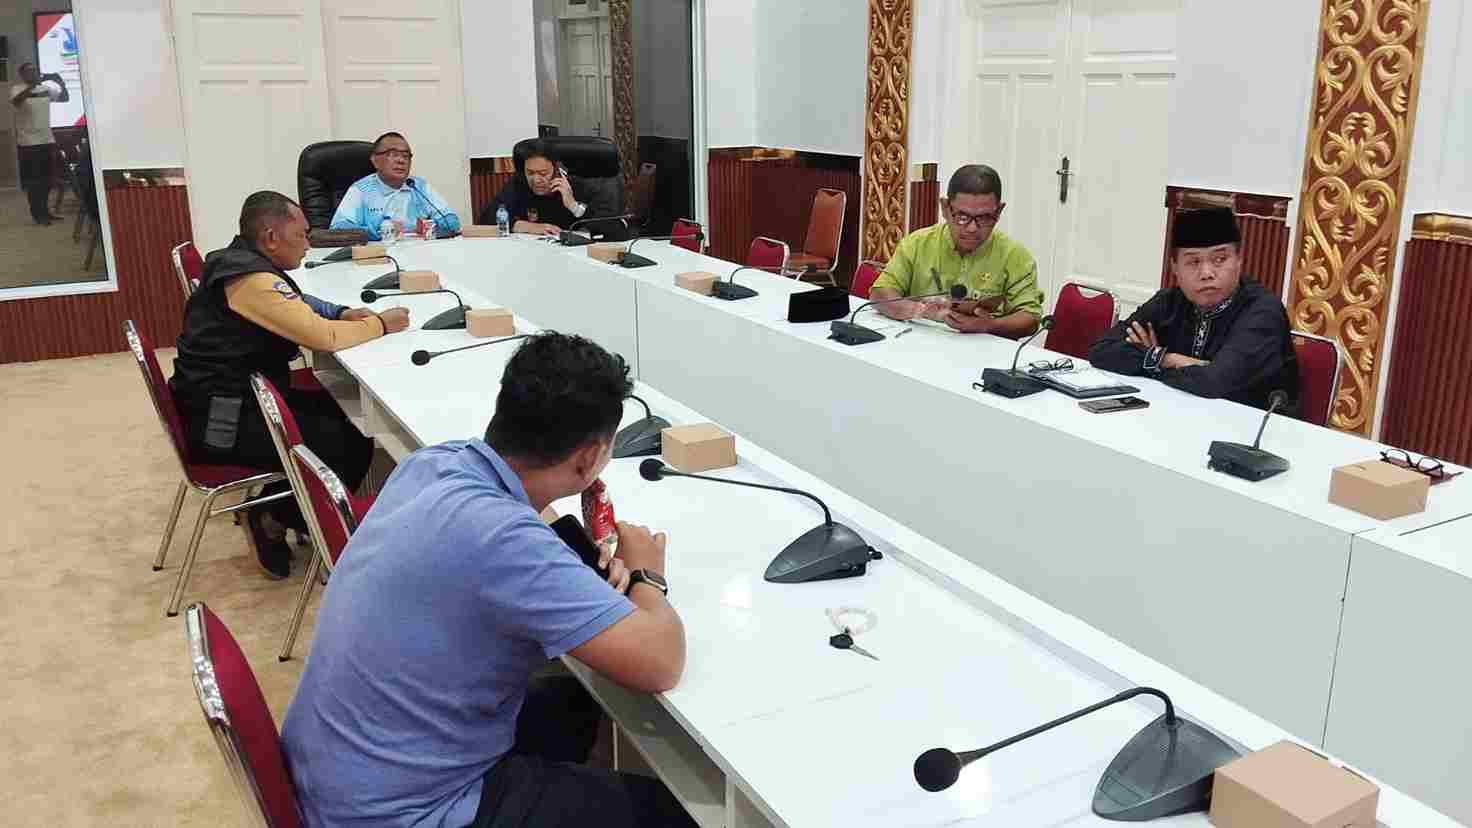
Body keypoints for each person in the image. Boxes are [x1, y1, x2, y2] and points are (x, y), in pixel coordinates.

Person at [282, 332, 694, 828]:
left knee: (573, 699)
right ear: (589, 457)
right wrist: (648, 574)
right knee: (673, 812)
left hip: (340, 774)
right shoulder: (502, 538)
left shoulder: (434, 464)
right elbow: (659, 663)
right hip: (401, 812)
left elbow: (515, 539)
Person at [170, 191, 411, 577]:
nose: (308, 243)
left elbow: (295, 300)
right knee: (343, 443)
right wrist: (381, 324)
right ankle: (272, 517)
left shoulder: (242, 263)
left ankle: (286, 511)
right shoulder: (251, 281)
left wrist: (342, 311)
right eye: (301, 236)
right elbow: (323, 338)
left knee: (346, 419)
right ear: (270, 238)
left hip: (232, 396)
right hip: (222, 421)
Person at [1089, 206, 1299, 411]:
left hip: (1252, 431)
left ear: (1239, 261)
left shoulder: (1262, 310)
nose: (1206, 273)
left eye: (1219, 259)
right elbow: (1102, 351)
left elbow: (1214, 382)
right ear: (1175, 268)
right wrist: (1168, 359)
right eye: (1193, 262)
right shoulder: (1169, 301)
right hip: (1180, 415)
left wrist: (1148, 362)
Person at [869, 164, 1044, 337]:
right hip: (921, 345)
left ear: (998, 211)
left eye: (984, 218)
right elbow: (880, 294)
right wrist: (921, 310)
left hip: (986, 352)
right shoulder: (917, 243)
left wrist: (989, 325)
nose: (972, 228)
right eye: (962, 216)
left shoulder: (1015, 255)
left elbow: (1030, 318)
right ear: (945, 208)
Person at [330, 131, 462, 239]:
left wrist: (427, 227)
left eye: (405, 156)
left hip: (419, 253)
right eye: (392, 154)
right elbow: (339, 228)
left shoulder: (417, 186)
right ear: (375, 161)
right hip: (378, 256)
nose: (401, 161)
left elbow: (451, 221)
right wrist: (380, 231)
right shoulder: (361, 189)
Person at [479, 139, 612, 236]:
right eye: (530, 173)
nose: (536, 180)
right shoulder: (519, 183)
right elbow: (486, 219)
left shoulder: (577, 184)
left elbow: (611, 228)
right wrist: (527, 226)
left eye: (543, 173)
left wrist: (573, 206)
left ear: (556, 169)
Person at [10, 62, 69, 226]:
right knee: (35, 181)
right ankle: (38, 214)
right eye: (29, 72)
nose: (34, 73)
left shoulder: (45, 89)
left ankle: (46, 211)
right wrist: (32, 86)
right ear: (22, 75)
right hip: (28, 142)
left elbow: (64, 98)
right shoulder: (17, 89)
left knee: (48, 180)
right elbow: (16, 101)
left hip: (47, 139)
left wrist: (59, 81)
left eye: (35, 71)